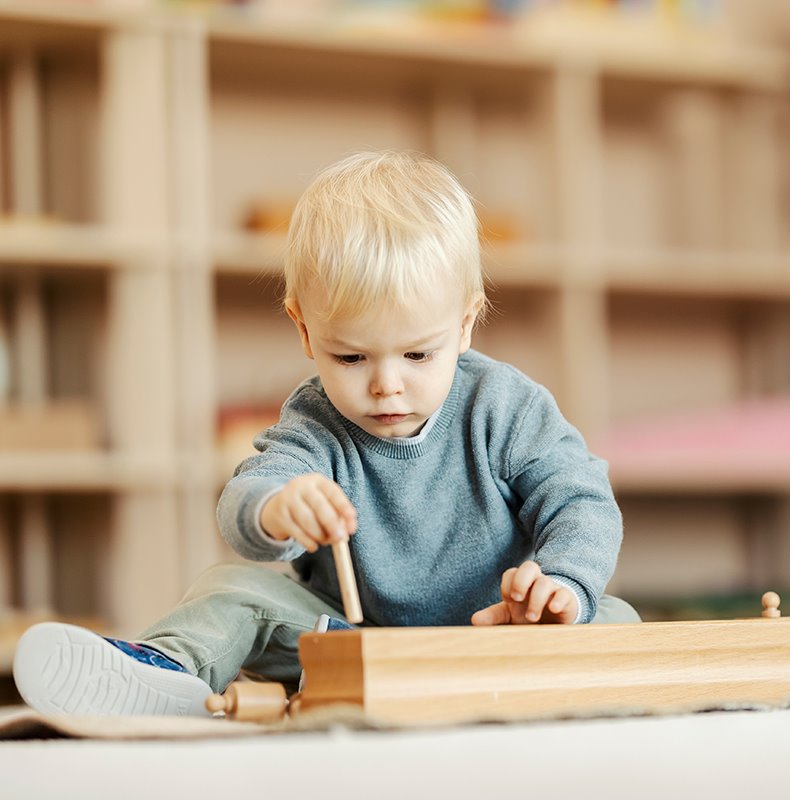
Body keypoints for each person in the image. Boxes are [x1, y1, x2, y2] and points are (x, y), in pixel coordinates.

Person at [13, 151, 639, 718]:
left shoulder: (506, 406)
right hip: (351, 649)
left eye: (419, 356)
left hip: (494, 640)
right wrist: (278, 509)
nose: (386, 386)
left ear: (466, 324)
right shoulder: (315, 422)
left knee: (614, 618)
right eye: (350, 358)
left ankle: (560, 669)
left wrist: (562, 585)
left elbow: (580, 499)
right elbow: (247, 497)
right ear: (306, 332)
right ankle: (163, 673)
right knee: (233, 589)